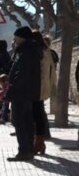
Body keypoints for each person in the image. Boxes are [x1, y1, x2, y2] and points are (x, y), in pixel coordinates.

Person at [6, 26, 41, 162]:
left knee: (19, 121)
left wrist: (13, 88)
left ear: (22, 37)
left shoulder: (26, 52)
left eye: (16, 37)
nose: (14, 39)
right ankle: (28, 150)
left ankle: (24, 151)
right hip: (26, 92)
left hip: (21, 92)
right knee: (26, 121)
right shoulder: (29, 50)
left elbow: (22, 74)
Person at [33, 30, 55, 155]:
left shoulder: (39, 52)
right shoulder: (46, 52)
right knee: (39, 115)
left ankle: (38, 143)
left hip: (36, 88)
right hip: (42, 88)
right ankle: (39, 143)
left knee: (35, 116)